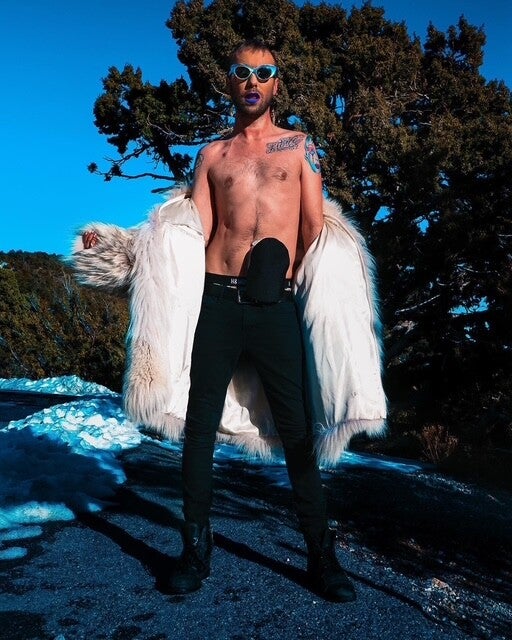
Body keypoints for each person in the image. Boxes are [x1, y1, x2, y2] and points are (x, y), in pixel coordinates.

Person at [79, 38, 385, 604]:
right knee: (198, 433)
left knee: (297, 435)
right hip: (216, 303)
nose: (252, 81)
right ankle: (195, 550)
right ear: (229, 81)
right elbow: (187, 230)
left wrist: (292, 283)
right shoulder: (212, 156)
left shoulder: (300, 147)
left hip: (274, 306)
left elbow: (314, 232)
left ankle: (322, 557)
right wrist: (124, 248)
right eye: (242, 71)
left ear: (276, 84)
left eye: (264, 73)